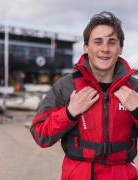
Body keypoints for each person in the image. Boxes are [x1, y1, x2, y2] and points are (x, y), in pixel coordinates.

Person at [30, 11, 138, 180]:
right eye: (98, 42)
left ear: (120, 48)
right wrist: (69, 113)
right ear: (86, 47)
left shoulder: (135, 88)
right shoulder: (66, 86)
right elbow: (40, 135)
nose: (105, 49)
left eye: (112, 42)